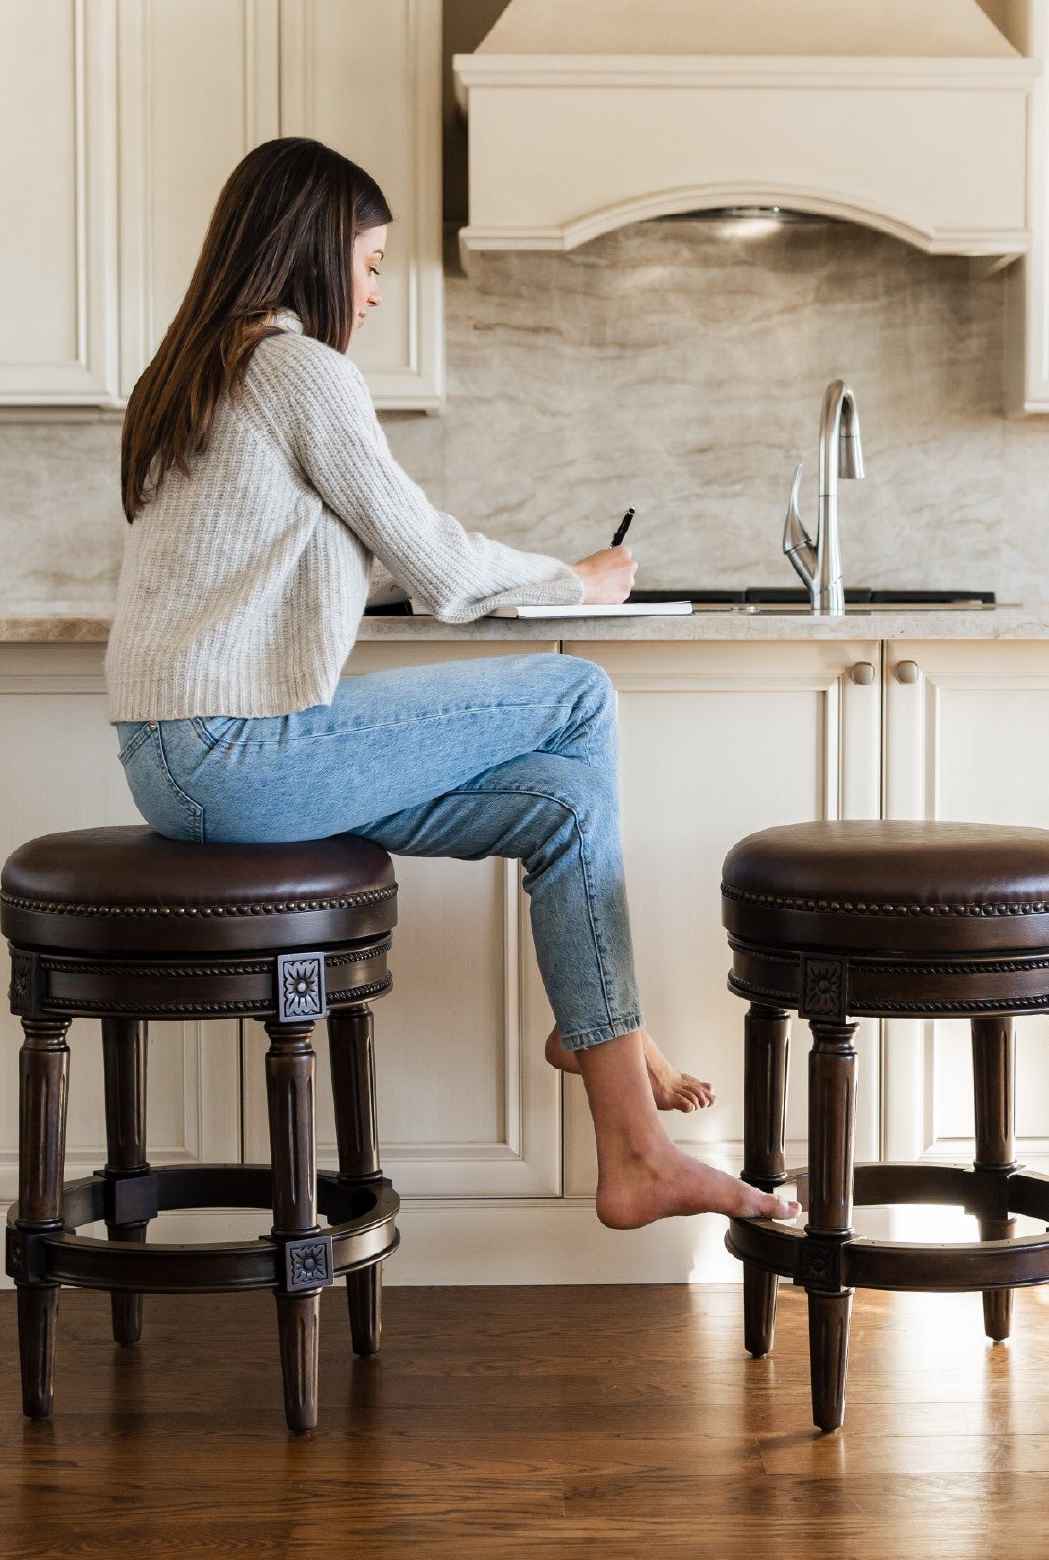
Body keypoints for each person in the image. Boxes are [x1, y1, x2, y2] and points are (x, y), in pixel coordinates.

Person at [106, 136, 792, 1230]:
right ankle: (608, 1031)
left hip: (182, 762)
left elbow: (305, 554)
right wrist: (576, 580)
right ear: (315, 249)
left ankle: (632, 1141)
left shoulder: (190, 371)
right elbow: (433, 560)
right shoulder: (296, 368)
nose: (375, 291)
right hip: (236, 756)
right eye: (371, 262)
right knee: (578, 697)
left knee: (562, 805)